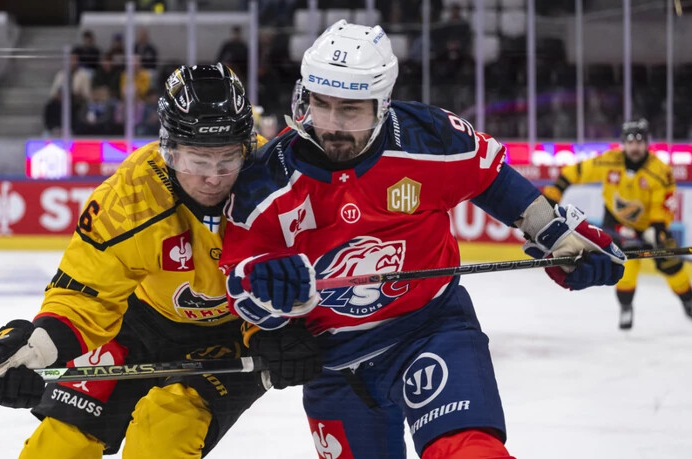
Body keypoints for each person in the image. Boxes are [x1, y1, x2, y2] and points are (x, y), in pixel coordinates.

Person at [220, 20, 626, 458]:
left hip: (431, 329)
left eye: (350, 110)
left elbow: (490, 178)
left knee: (471, 452)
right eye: (321, 105)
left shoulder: (428, 137)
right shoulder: (267, 179)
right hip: (334, 363)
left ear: (382, 104)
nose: (331, 125)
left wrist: (556, 233)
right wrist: (265, 309)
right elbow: (239, 279)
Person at [0, 63, 321, 458]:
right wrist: (35, 350)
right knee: (59, 445)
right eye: (196, 160)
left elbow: (304, 272)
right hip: (139, 324)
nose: (212, 178)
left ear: (246, 146)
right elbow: (86, 291)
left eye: (227, 160)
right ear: (169, 149)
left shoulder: (276, 180)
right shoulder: (130, 195)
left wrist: (282, 331)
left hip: (236, 331)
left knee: (163, 433)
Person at [543, 119, 692, 330]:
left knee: (671, 265)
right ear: (624, 142)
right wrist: (556, 190)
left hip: (650, 226)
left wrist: (657, 229)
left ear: (646, 143)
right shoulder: (610, 161)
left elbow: (664, 202)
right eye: (631, 141)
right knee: (625, 267)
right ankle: (626, 307)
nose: (635, 146)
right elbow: (576, 171)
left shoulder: (660, 170)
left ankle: (688, 300)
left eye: (640, 141)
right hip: (618, 223)